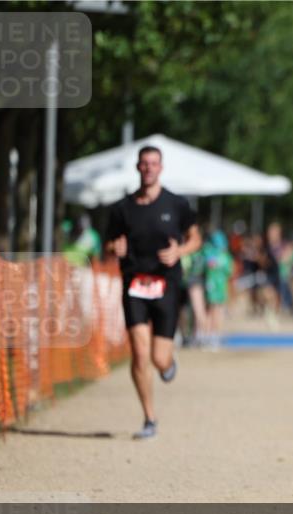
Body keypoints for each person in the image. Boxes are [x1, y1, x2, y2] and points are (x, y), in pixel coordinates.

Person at [106, 145, 201, 439]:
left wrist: (180, 251)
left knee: (159, 359)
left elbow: (195, 238)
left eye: (154, 163)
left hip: (166, 285)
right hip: (134, 283)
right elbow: (108, 244)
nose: (148, 168)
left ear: (161, 168)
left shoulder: (176, 204)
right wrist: (114, 248)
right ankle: (149, 418)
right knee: (138, 353)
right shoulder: (122, 208)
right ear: (138, 168)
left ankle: (168, 364)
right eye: (144, 163)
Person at [203, 229, 234, 349]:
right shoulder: (225, 257)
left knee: (210, 311)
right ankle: (214, 336)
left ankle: (207, 335)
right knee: (218, 312)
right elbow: (229, 271)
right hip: (220, 288)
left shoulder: (209, 253)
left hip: (210, 286)